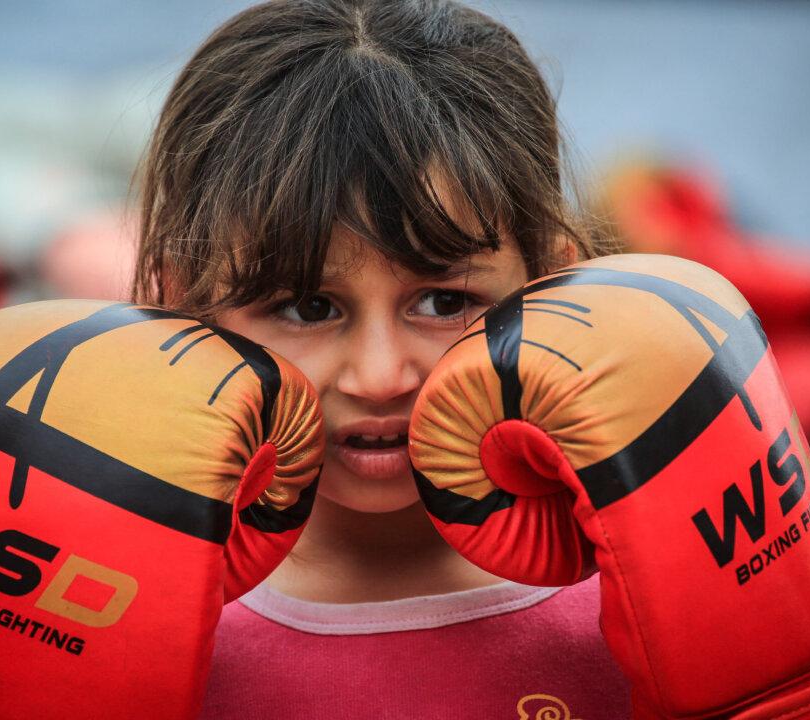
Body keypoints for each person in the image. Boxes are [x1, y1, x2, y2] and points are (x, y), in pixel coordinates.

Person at [131, 1, 631, 717]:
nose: (379, 378)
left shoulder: (641, 571)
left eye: (441, 301)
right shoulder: (127, 600)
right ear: (186, 308)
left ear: (553, 284)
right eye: (307, 307)